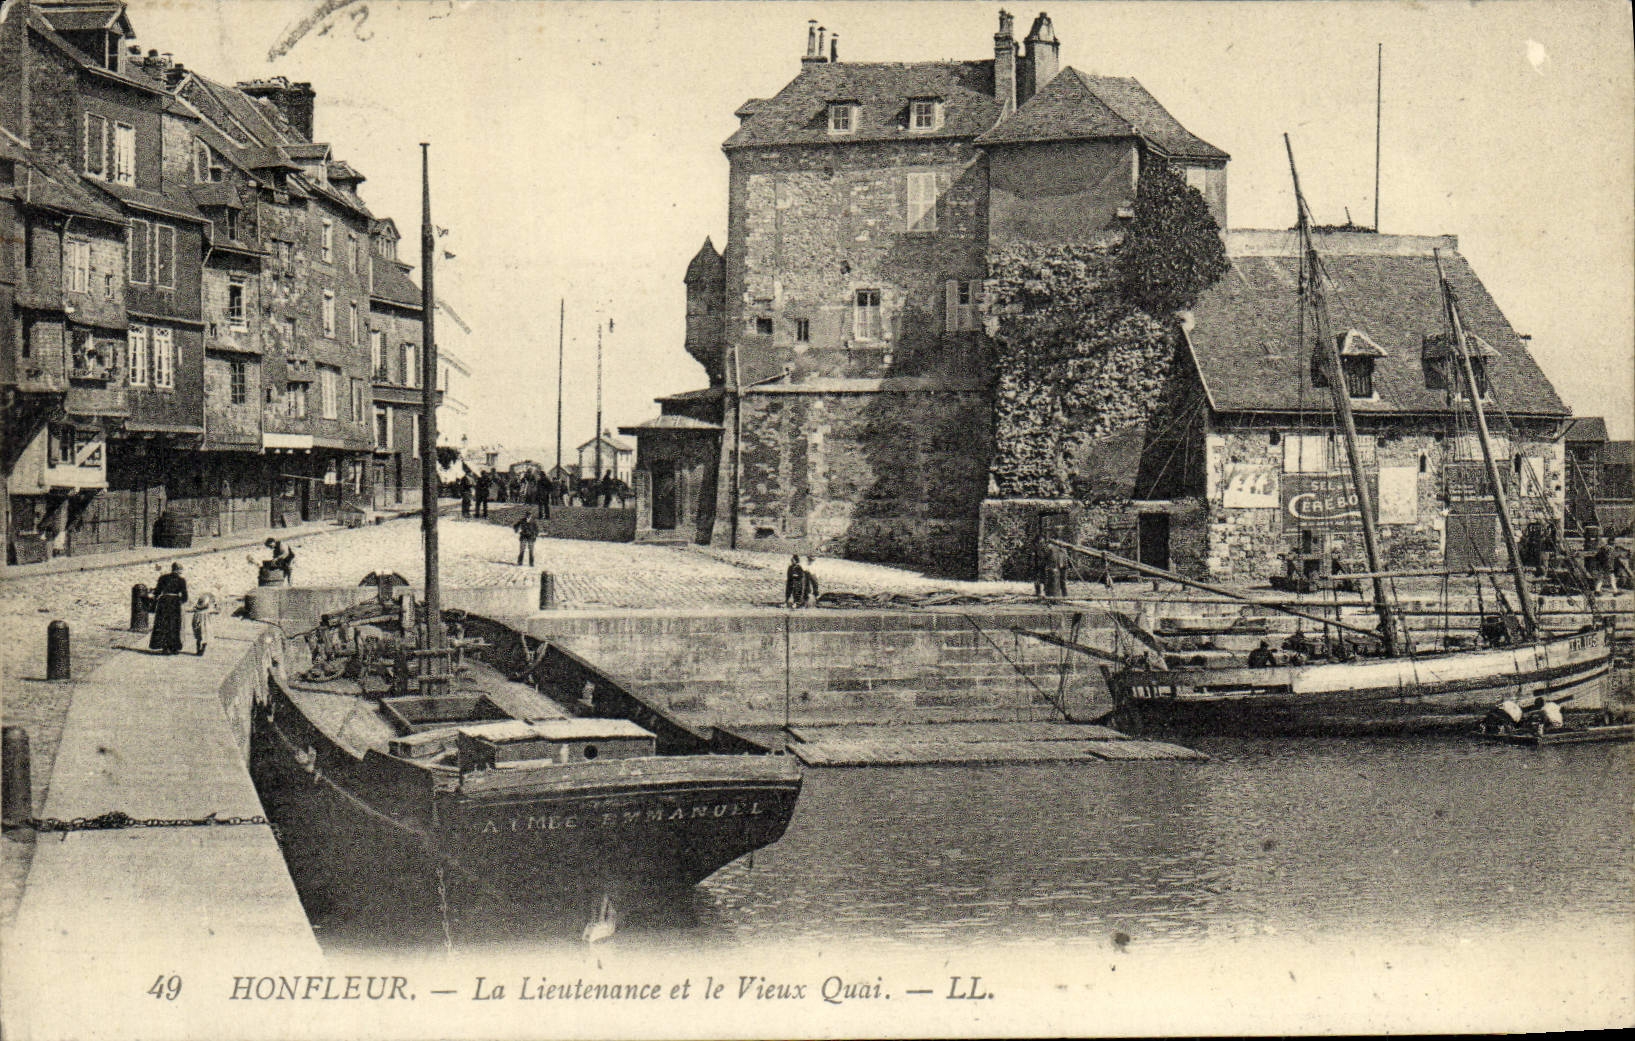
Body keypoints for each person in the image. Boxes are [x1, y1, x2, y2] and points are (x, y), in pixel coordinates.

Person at [149, 563, 189, 654]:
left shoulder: (163, 578)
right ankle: (174, 647)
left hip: (164, 602)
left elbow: (158, 591)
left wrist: (154, 597)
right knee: (174, 625)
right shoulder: (181, 580)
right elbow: (185, 596)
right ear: (179, 570)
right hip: (175, 603)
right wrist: (182, 601)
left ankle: (165, 647)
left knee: (163, 624)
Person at [191, 590, 218, 656]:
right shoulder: (208, 610)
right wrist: (215, 606)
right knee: (205, 636)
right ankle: (202, 649)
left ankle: (198, 649)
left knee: (198, 637)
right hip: (206, 625)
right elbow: (217, 611)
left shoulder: (197, 611)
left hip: (198, 624)